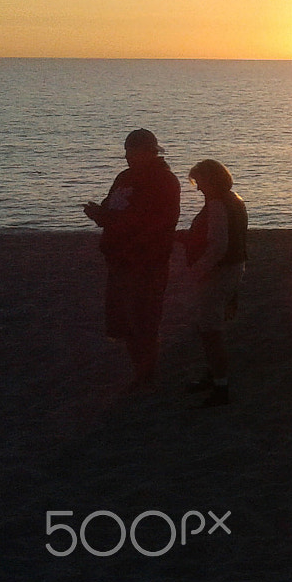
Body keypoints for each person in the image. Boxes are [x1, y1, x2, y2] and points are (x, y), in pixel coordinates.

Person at [82, 129, 181, 391]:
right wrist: (99, 214)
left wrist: (121, 231)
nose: (126, 156)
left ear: (148, 152)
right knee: (124, 320)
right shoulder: (124, 177)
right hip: (119, 259)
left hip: (146, 261)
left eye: (131, 151)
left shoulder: (165, 181)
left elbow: (158, 222)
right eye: (126, 151)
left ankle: (147, 372)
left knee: (144, 318)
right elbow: (113, 208)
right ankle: (141, 369)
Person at [180, 159, 248, 408]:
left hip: (219, 273)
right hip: (232, 269)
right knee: (209, 326)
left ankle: (220, 385)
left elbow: (218, 246)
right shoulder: (235, 200)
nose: (198, 188)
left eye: (200, 182)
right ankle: (214, 374)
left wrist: (198, 270)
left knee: (210, 330)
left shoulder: (219, 205)